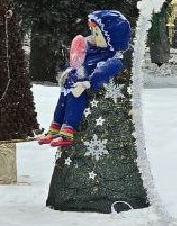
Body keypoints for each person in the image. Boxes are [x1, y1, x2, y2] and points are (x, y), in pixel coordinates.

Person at [36, 9, 132, 148]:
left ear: (111, 37)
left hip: (86, 88)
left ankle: (68, 129)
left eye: (97, 33)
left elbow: (101, 74)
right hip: (75, 81)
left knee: (75, 97)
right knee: (63, 97)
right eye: (93, 32)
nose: (93, 37)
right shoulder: (92, 49)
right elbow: (80, 65)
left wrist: (87, 84)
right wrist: (70, 71)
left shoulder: (114, 59)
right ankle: (55, 126)